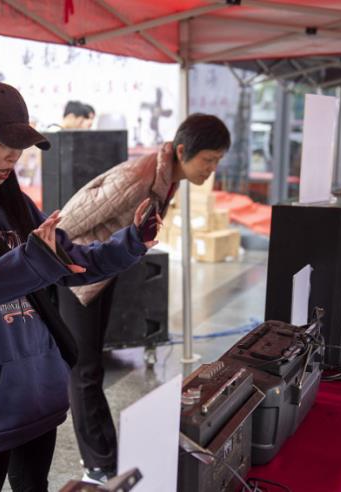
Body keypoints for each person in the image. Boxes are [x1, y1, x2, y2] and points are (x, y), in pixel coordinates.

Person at [0, 80, 157, 492]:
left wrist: (132, 242)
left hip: (35, 391)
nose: (13, 155)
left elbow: (71, 261)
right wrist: (31, 260)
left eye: (19, 145)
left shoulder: (15, 204)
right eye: (2, 143)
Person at [57, 113, 231, 484]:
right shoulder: (138, 178)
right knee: (84, 371)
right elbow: (68, 222)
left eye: (217, 161)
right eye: (208, 160)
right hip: (76, 278)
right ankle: (98, 465)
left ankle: (105, 456)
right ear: (182, 151)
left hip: (98, 275)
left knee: (91, 368)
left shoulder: (166, 178)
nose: (211, 170)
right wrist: (68, 266)